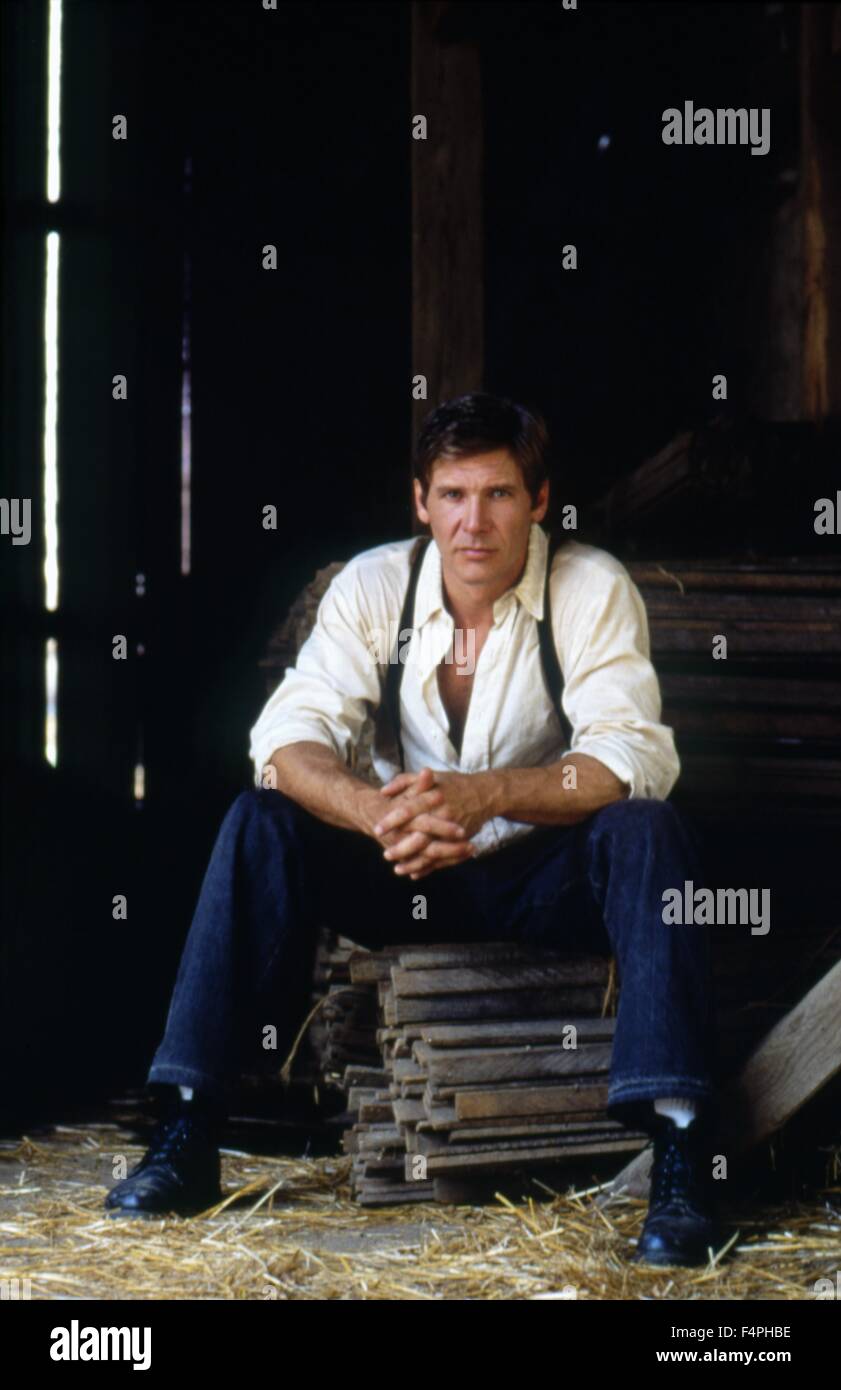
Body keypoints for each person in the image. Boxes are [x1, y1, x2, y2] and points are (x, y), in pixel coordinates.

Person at [105, 393, 724, 1268]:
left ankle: (681, 1155)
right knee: (259, 818)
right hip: (401, 866)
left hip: (535, 875)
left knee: (648, 830)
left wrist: (485, 796)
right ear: (421, 502)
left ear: (539, 501)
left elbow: (630, 759)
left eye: (498, 494)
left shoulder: (589, 587)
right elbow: (284, 741)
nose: (474, 522)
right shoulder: (373, 586)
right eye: (453, 495)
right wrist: (376, 811)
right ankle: (187, 1133)